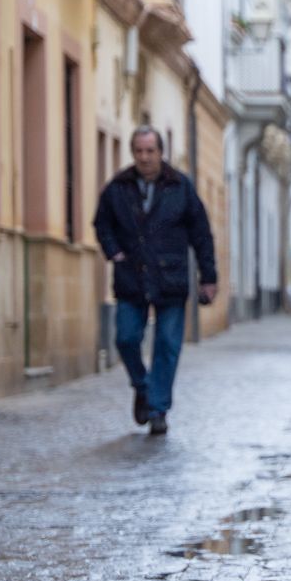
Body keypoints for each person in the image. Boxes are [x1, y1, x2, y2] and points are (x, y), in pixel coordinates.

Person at [92, 126, 217, 436]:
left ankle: (158, 409)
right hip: (130, 277)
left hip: (171, 278)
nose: (145, 157)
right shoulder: (118, 187)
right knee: (125, 337)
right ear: (133, 153)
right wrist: (114, 253)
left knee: (167, 345)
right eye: (139, 151)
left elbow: (201, 233)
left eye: (150, 151)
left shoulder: (180, 187)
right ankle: (143, 386)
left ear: (161, 152)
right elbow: (101, 222)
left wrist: (208, 277)